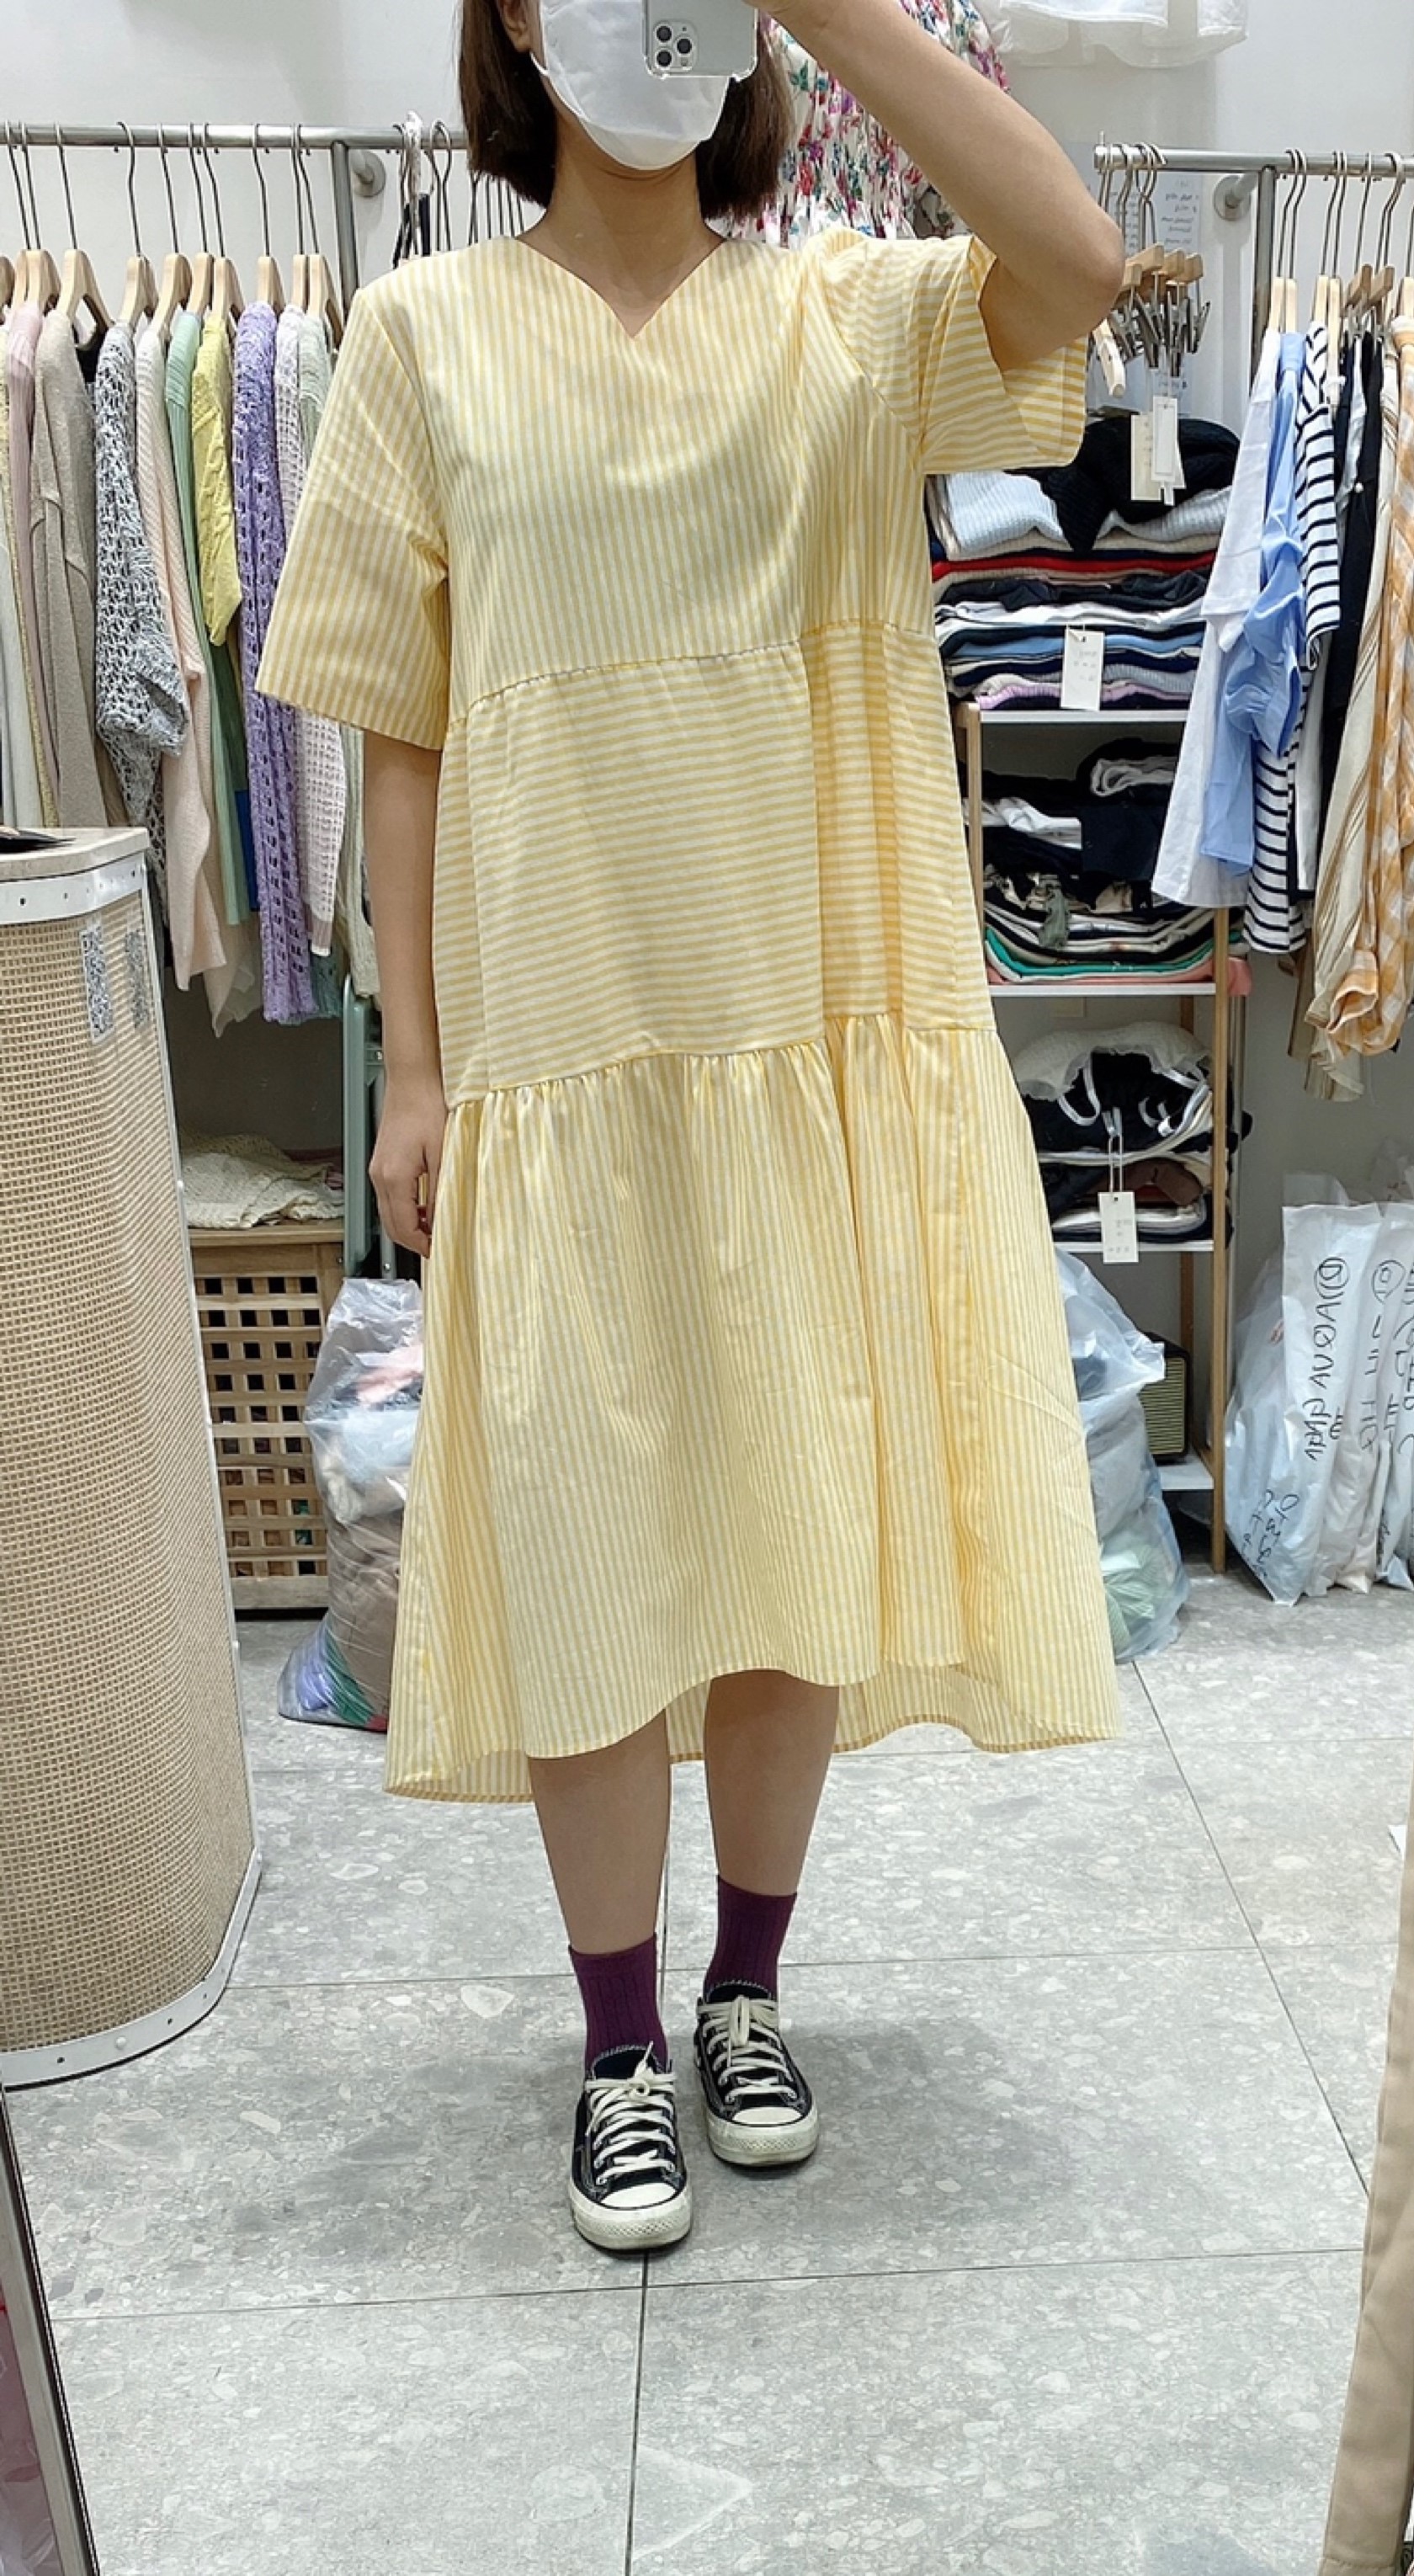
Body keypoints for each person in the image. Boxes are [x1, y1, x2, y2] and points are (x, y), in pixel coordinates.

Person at [259, 0, 1124, 2258]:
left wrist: (832, 7)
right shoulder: (421, 335)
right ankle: (618, 2041)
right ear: (510, 23)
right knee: (587, 1536)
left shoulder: (848, 310)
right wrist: (417, 1065)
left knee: (781, 1524)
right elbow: (398, 730)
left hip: (802, 1024)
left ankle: (748, 1992)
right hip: (563, 1040)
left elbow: (1071, 259)